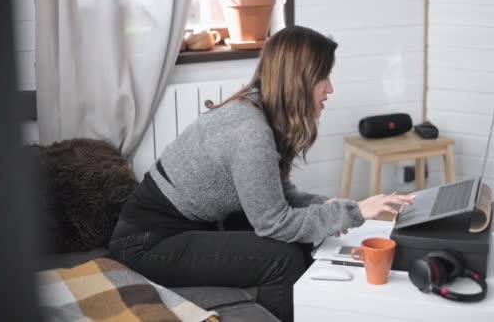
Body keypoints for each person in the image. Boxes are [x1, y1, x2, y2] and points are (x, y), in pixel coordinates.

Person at [109, 25, 414, 322]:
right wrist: (355, 211)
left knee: (303, 238)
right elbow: (273, 223)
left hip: (186, 226)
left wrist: (333, 207)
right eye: (324, 77)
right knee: (283, 258)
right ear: (300, 79)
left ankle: (323, 309)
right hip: (148, 243)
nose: (330, 88)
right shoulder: (250, 131)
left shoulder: (259, 110)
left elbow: (280, 196)